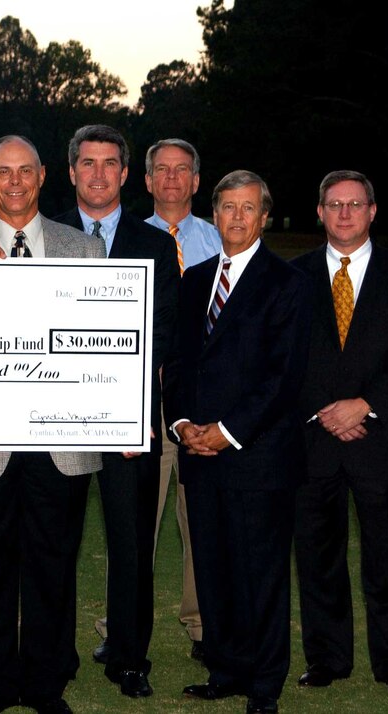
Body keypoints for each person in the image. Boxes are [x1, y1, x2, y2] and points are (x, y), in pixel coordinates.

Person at [0, 135, 105, 714]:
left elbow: (106, 345)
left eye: (24, 171)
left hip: (60, 442)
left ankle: (45, 686)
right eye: (3, 172)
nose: (13, 182)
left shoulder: (86, 251)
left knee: (53, 566)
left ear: (42, 176)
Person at [162, 170, 311, 714]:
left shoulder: (288, 283)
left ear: (264, 217)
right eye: (228, 207)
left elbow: (282, 378)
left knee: (261, 575)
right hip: (198, 453)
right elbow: (178, 362)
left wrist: (225, 433)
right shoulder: (196, 278)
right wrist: (182, 424)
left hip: (258, 455)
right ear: (215, 213)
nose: (238, 217)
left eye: (249, 208)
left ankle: (264, 684)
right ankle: (224, 669)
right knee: (213, 567)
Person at [291, 170, 388, 696]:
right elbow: (284, 356)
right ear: (320, 212)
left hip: (383, 439)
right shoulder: (293, 276)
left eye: (355, 204)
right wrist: (326, 411)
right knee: (318, 559)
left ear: (372, 211)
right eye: (335, 204)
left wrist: (364, 406)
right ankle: (327, 659)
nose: (345, 213)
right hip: (315, 439)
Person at [50, 125, 179, 698]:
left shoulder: (155, 245)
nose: (98, 174)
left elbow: (164, 334)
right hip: (56, 418)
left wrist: (136, 405)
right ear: (71, 171)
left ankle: (129, 657)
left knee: (131, 543)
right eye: (88, 163)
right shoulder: (44, 236)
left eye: (109, 164)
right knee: (56, 541)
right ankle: (53, 656)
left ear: (126, 174)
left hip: (129, 418)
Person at [143, 137, 221, 661]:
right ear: (147, 180)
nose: (172, 178)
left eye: (182, 170)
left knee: (201, 518)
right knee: (137, 517)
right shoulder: (126, 239)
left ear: (195, 181)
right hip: (145, 400)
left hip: (200, 401)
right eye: (162, 170)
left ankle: (202, 623)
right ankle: (124, 623)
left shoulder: (221, 239)